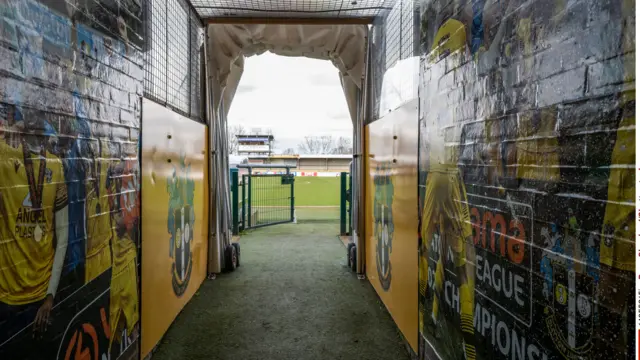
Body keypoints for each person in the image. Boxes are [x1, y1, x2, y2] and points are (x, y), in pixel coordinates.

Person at [419, 3, 476, 359]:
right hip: (449, 170)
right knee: (464, 254)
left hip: (433, 173)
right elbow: (470, 95)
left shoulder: (429, 57)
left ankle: (429, 314)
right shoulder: (458, 31)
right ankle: (469, 347)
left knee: (430, 246)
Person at [0, 108, 69, 343]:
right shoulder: (5, 157)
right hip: (5, 295)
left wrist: (50, 295)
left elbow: (63, 236)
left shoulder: (57, 166)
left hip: (41, 296)